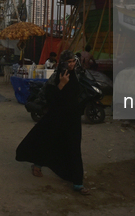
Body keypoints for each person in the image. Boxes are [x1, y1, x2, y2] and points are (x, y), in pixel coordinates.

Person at [15, 50, 90, 195]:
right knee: (47, 141)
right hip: (57, 118)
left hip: (73, 119)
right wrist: (61, 84)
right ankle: (37, 164)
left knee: (74, 148)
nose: (72, 64)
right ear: (62, 63)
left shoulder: (77, 75)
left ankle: (78, 183)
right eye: (69, 62)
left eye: (73, 61)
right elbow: (51, 99)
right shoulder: (56, 77)